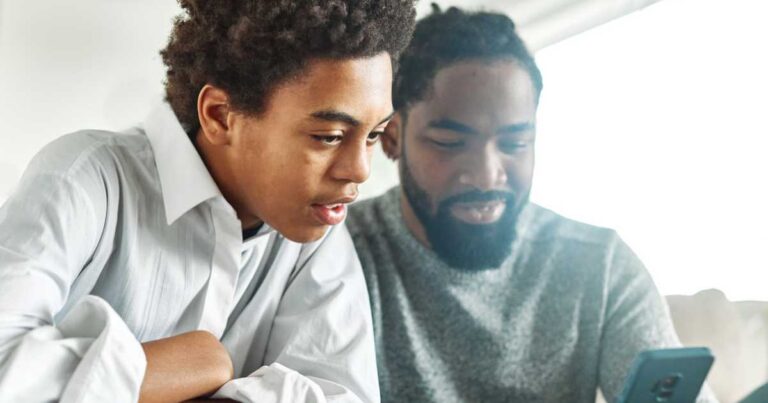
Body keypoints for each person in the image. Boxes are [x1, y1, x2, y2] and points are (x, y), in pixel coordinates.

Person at [0, 1, 415, 402]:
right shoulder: (86, 178)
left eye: (375, 134)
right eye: (329, 137)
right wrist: (200, 362)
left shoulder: (319, 236)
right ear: (219, 115)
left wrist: (148, 379)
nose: (359, 170)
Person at [346, 6, 717, 403]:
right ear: (391, 137)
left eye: (514, 143)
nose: (488, 175)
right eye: (450, 143)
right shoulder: (341, 254)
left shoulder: (600, 266)